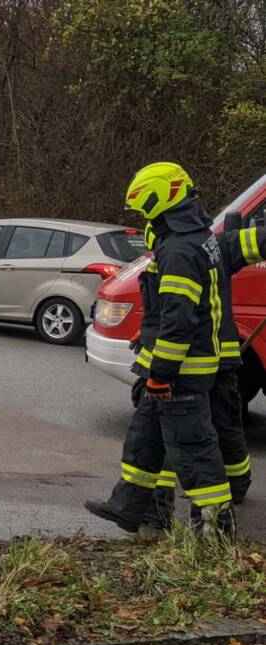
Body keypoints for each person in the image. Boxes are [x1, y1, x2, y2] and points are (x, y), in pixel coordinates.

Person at [84, 162, 235, 538]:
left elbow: (180, 320)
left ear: (161, 200)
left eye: (144, 207)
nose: (142, 216)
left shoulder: (181, 249)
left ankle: (215, 530)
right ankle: (130, 507)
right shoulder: (193, 236)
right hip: (174, 365)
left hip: (181, 371)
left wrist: (162, 374)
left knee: (193, 449)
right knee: (145, 439)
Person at [140, 213, 260, 533]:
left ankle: (174, 510)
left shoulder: (177, 256)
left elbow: (175, 318)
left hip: (194, 362)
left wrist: (160, 371)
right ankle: (236, 486)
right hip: (224, 358)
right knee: (226, 425)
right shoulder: (214, 246)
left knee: (180, 435)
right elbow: (256, 241)